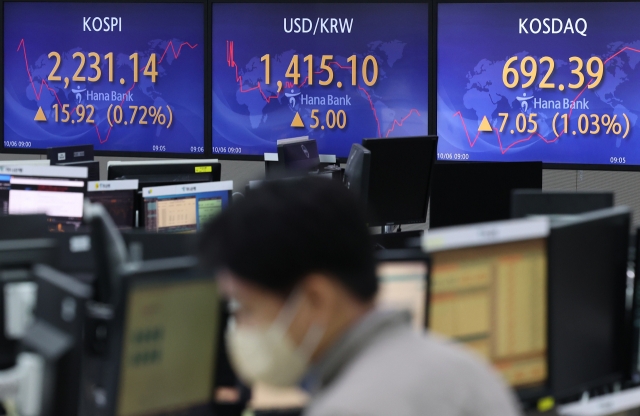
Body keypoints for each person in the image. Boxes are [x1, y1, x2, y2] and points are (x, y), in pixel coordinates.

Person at [199, 177, 522, 416]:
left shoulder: (346, 408)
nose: (239, 327)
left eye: (245, 309)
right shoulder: (467, 370)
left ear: (315, 299)